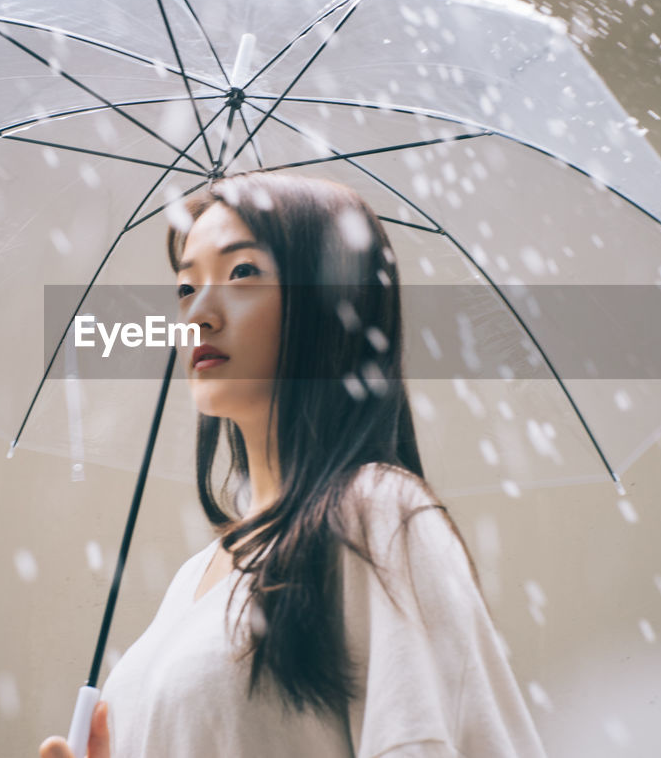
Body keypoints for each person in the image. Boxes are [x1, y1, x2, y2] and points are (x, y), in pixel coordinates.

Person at [39, 172, 548, 758]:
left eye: (242, 273)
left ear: (330, 304)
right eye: (185, 287)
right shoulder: (193, 581)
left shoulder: (376, 512)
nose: (198, 313)